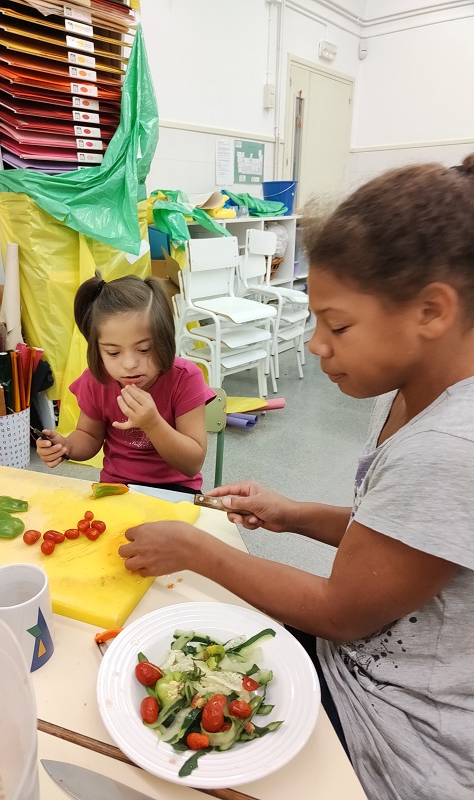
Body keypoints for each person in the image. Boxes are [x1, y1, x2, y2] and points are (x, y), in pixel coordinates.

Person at [118, 155, 474, 800]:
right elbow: (397, 538)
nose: (315, 344)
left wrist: (197, 549)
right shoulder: (408, 391)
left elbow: (341, 612)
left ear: (431, 311)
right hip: (358, 667)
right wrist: (294, 514)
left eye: (338, 326)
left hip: (396, 729)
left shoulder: (449, 448)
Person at [36, 273, 215, 493]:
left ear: (165, 340)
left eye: (144, 349)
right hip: (117, 486)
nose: (130, 364)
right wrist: (66, 446)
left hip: (176, 490)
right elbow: (89, 436)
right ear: (97, 350)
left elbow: (192, 464)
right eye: (113, 353)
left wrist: (152, 424)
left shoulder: (185, 378)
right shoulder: (97, 380)